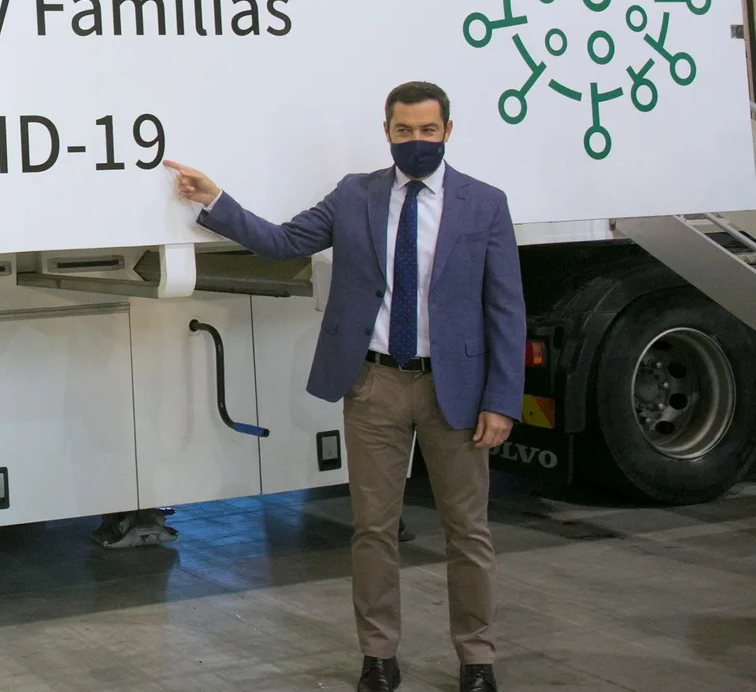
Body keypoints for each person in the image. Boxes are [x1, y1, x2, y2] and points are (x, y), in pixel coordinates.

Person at [164, 81, 522, 692]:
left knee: (468, 533)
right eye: (404, 131)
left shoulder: (484, 204)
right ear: (388, 132)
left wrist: (501, 400)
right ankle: (378, 657)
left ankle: (477, 661)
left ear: (448, 132)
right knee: (373, 530)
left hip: (455, 393)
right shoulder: (355, 196)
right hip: (376, 384)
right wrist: (216, 199)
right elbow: (283, 242)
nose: (416, 142)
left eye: (427, 131)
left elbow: (505, 308)